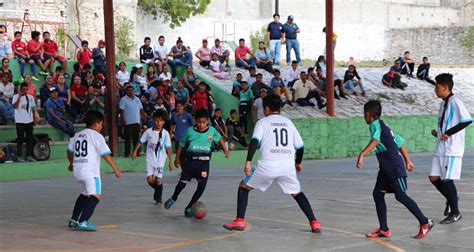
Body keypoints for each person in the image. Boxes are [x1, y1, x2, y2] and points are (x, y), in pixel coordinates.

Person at [223, 94, 321, 233]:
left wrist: (248, 161)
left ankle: (239, 221)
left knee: (244, 186)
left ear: (267, 108)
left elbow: (254, 141)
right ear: (279, 109)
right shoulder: (288, 122)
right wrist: (297, 163)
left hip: (267, 166)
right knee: (297, 193)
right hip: (287, 166)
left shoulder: (262, 122)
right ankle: (314, 223)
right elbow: (300, 147)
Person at [357, 100, 434, 239]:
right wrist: (408, 160)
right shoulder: (384, 125)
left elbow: (375, 140)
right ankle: (384, 229)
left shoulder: (375, 125)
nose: (364, 117)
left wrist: (362, 154)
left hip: (393, 166)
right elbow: (400, 141)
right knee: (378, 194)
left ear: (368, 114)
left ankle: (425, 222)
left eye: (364, 114)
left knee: (401, 195)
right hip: (385, 168)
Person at [164, 109, 230, 217]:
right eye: (199, 122)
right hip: (190, 162)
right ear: (195, 121)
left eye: (204, 122)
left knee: (201, 187)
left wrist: (225, 150)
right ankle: (174, 197)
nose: (201, 125)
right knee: (182, 183)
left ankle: (189, 207)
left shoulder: (212, 131)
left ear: (207, 121)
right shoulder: (190, 131)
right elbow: (181, 144)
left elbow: (220, 140)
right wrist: (177, 159)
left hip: (204, 163)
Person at [66, 110, 122, 231]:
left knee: (85, 194)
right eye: (101, 124)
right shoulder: (96, 136)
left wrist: (71, 163)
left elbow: (69, 151)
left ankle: (74, 219)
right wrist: (116, 169)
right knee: (95, 196)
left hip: (78, 170)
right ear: (97, 124)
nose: (101, 127)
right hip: (90, 172)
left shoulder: (77, 135)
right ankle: (83, 221)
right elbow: (106, 154)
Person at [429, 73, 472, 224]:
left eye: (437, 86)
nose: (435, 89)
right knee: (433, 177)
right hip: (441, 146)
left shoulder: (456, 101)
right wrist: (439, 133)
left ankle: (455, 212)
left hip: (452, 148)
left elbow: (467, 120)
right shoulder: (443, 104)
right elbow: (446, 123)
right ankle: (451, 198)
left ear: (445, 87)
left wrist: (448, 133)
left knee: (447, 180)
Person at [132, 110, 173, 205]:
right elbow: (141, 141)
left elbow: (169, 148)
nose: (158, 123)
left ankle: (158, 198)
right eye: (156, 120)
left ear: (164, 122)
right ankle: (159, 188)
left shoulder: (166, 134)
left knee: (158, 180)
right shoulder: (148, 132)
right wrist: (134, 151)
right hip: (150, 159)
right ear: (153, 120)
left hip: (160, 160)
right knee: (149, 180)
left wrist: (170, 161)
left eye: (161, 121)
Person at [12, 82, 37, 162]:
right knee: (20, 139)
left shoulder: (30, 97)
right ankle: (19, 156)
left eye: (27, 89)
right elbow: (15, 106)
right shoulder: (15, 96)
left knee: (30, 138)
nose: (25, 90)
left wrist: (34, 118)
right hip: (20, 121)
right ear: (20, 89)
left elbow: (33, 108)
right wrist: (19, 96)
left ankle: (29, 155)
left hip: (29, 120)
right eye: (24, 89)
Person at [119, 86, 146, 157]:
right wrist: (123, 120)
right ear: (126, 91)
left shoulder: (137, 99)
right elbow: (121, 111)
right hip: (128, 122)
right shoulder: (123, 99)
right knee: (127, 139)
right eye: (129, 90)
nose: (131, 92)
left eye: (132, 90)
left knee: (136, 139)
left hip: (136, 121)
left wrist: (144, 116)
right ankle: (127, 154)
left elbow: (141, 109)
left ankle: (136, 153)